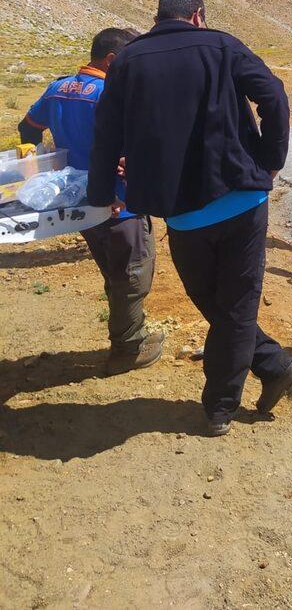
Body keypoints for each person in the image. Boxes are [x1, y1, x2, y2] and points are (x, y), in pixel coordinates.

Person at [87, 0, 292, 436]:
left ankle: (221, 404)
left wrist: (99, 192)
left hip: (181, 210)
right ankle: (271, 365)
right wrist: (270, 158)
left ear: (158, 16)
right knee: (234, 306)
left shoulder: (127, 60)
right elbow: (275, 98)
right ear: (198, 16)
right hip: (243, 199)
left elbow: (105, 131)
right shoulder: (222, 44)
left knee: (217, 302)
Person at [18, 28, 163, 375]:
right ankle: (129, 347)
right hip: (119, 202)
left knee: (112, 267)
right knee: (132, 273)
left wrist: (38, 159)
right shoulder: (111, 95)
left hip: (80, 205)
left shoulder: (58, 88)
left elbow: (28, 128)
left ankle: (127, 329)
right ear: (112, 60)